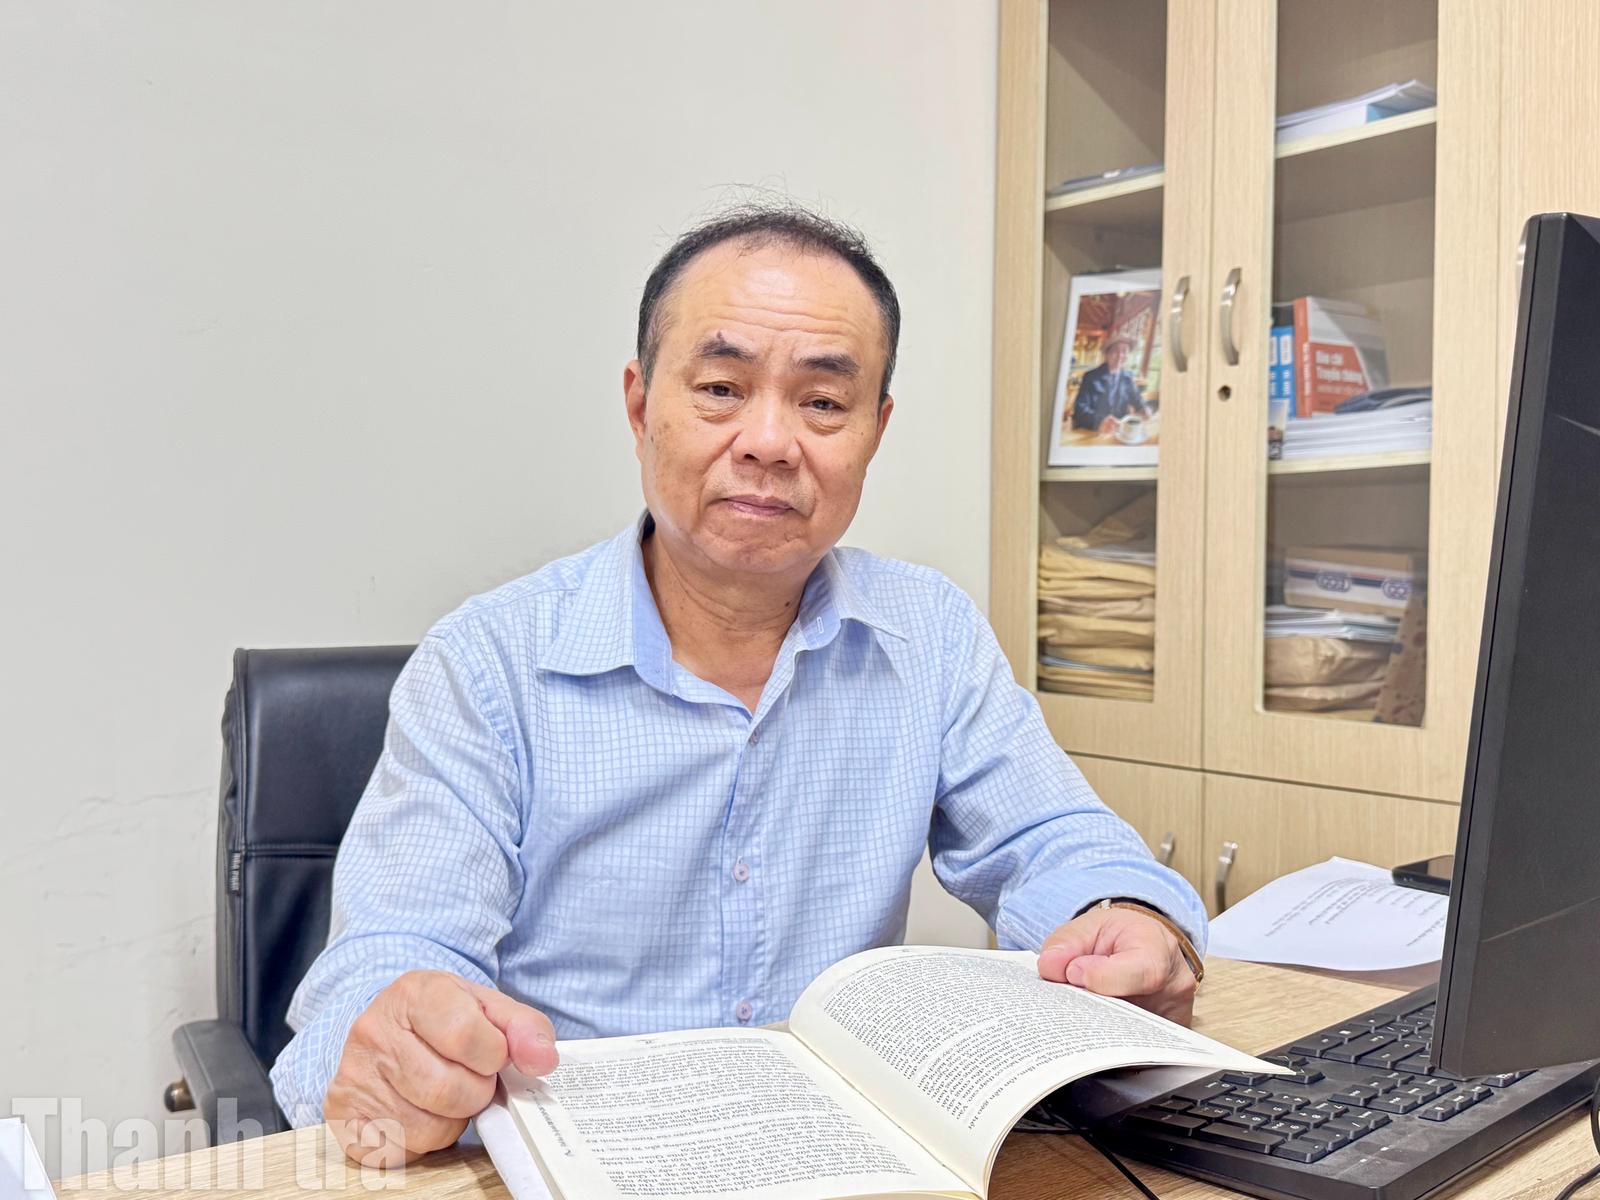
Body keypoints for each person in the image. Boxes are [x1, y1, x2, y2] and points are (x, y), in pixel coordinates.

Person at [270, 204, 1208, 1167]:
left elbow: (1052, 838)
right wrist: (392, 1049)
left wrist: (1131, 919)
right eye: (721, 388)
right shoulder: (487, 662)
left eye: (823, 403)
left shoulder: (928, 633)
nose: (769, 442)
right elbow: (391, 957)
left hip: (843, 1165)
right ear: (640, 405)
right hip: (577, 1165)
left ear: (875, 432)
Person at [1070, 336, 1151, 433]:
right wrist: (1100, 421)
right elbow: (1079, 410)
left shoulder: (1128, 378)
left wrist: (1144, 408)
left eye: (1124, 351)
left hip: (1119, 431)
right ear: (1107, 354)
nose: (1120, 355)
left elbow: (1137, 399)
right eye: (1115, 351)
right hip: (1093, 431)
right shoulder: (1090, 377)